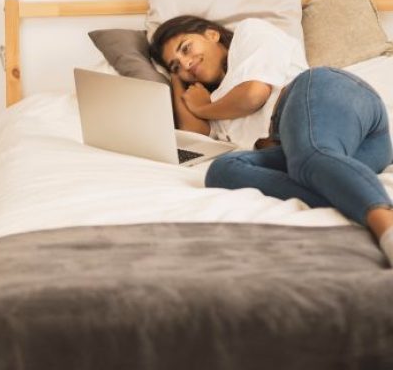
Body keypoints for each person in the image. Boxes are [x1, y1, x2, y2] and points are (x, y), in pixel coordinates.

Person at [148, 14, 393, 266]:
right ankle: (352, 194)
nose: (186, 63)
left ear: (212, 34)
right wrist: (176, 80)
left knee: (310, 156)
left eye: (186, 48)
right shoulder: (216, 101)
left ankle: (385, 224)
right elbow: (194, 134)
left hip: (328, 94)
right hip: (337, 155)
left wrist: (201, 108)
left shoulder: (249, 33)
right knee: (222, 170)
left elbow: (253, 95)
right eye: (176, 65)